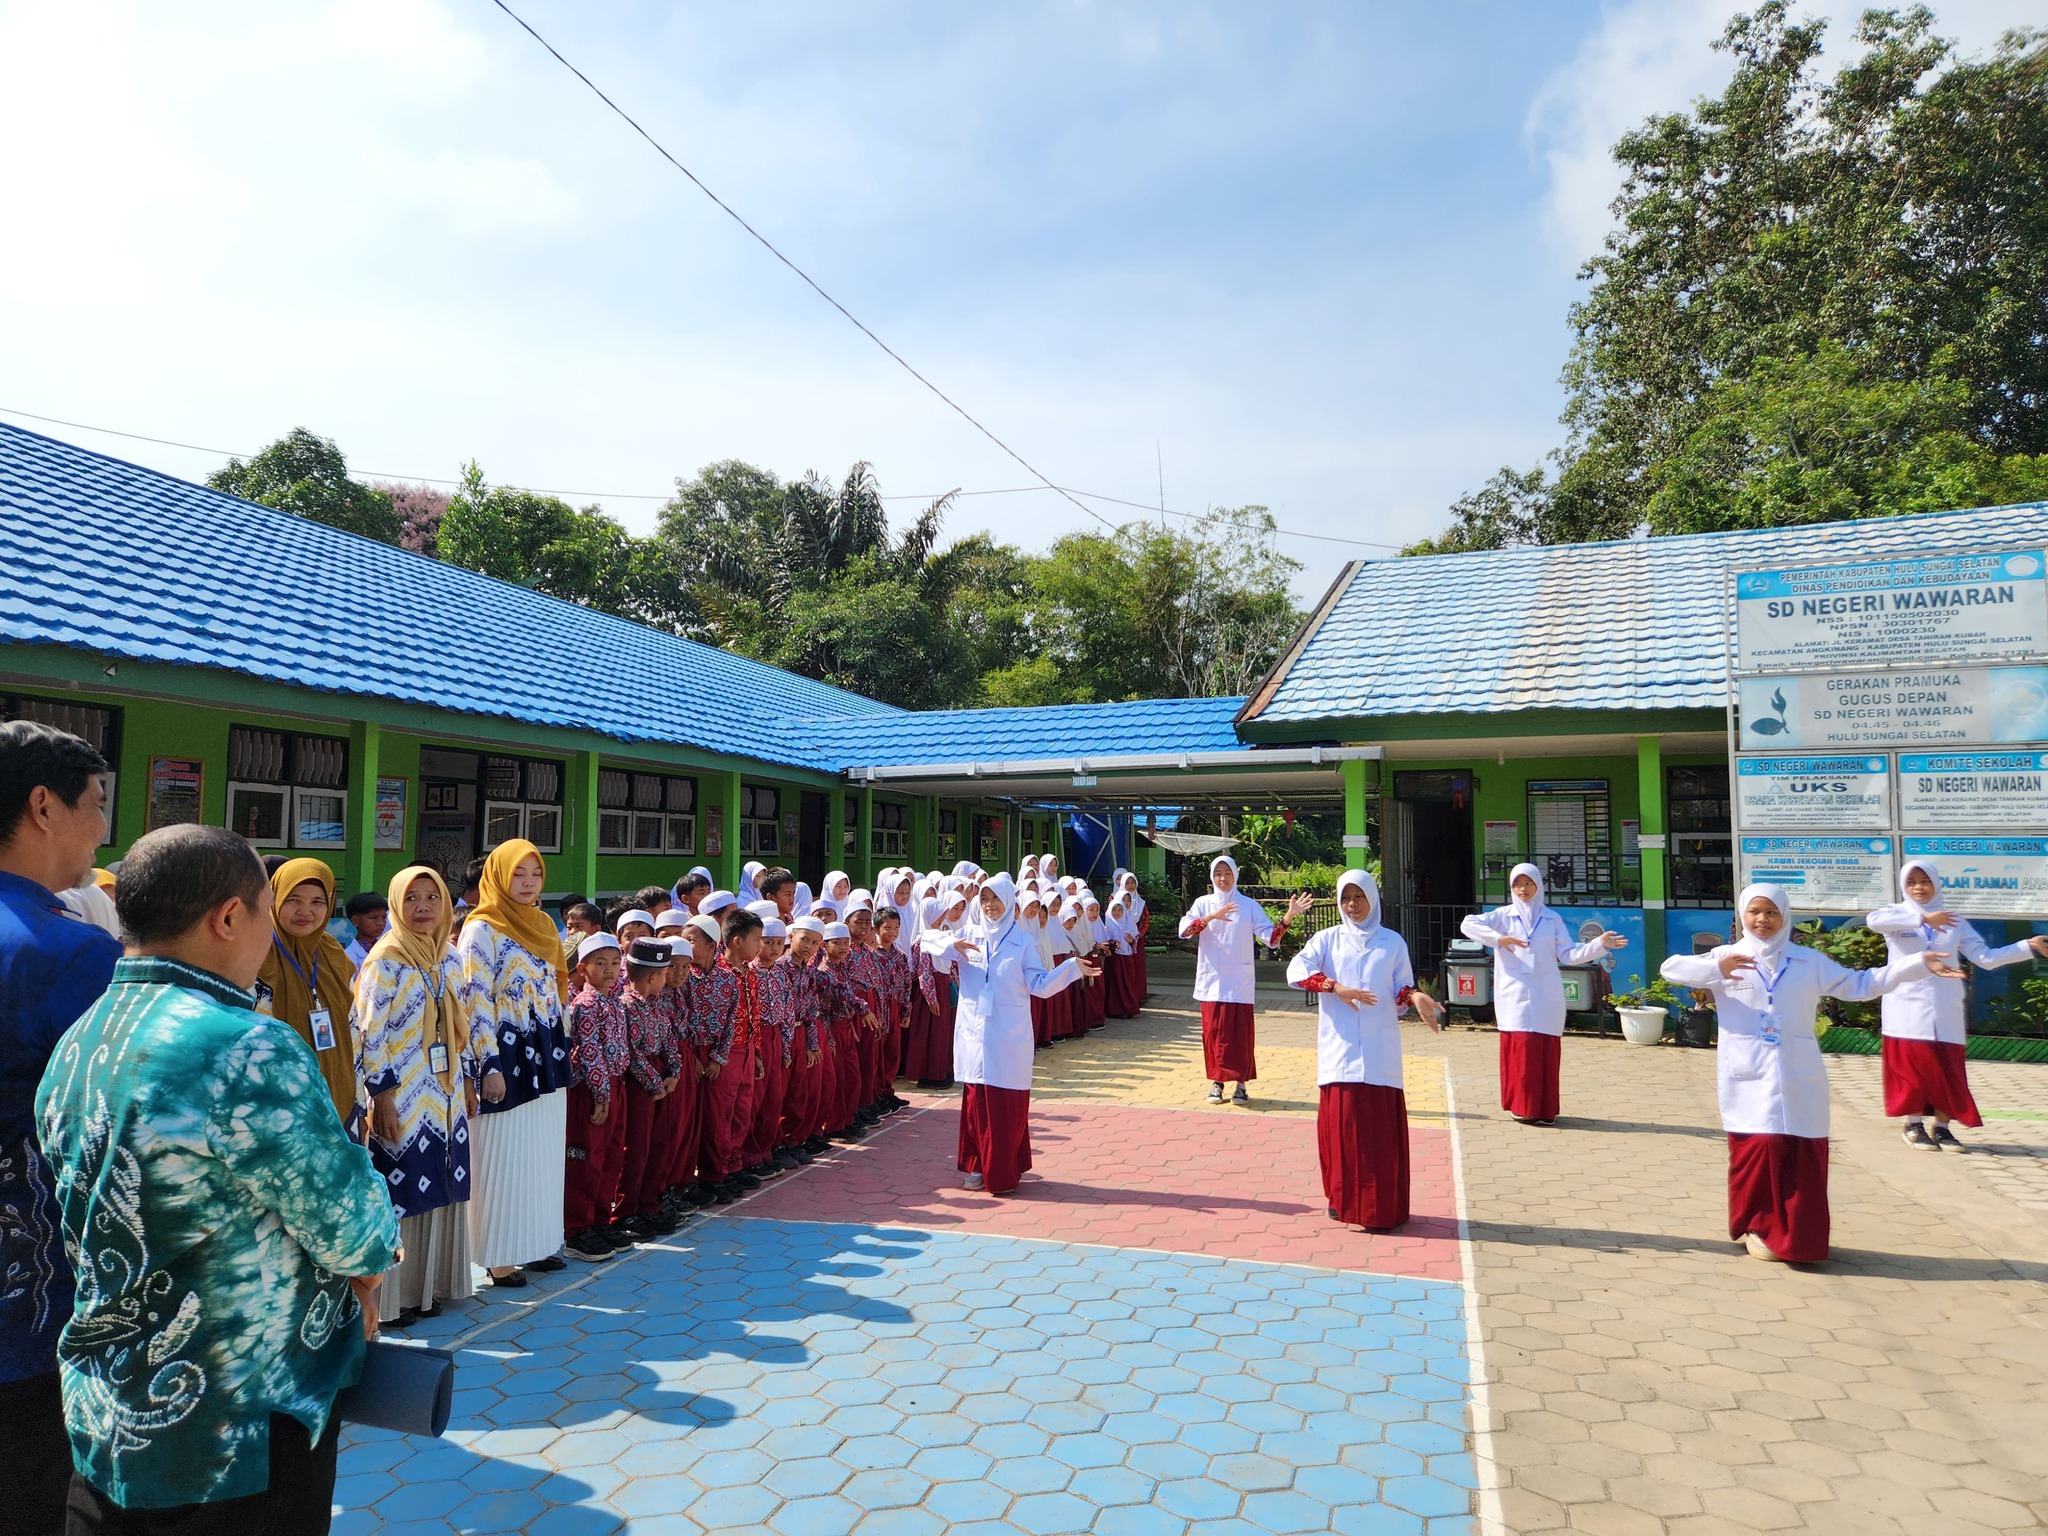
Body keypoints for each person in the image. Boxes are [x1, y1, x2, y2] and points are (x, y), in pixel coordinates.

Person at [37, 825, 398, 1531]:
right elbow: (356, 1231)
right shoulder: (243, 1044)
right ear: (229, 917)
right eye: (268, 908)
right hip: (237, 1426)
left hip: (106, 1408)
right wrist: (369, 1272)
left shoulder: (83, 1038)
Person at [1660, 884, 1954, 1262]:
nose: (1762, 920)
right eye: (1755, 912)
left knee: (1800, 1151)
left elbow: (1861, 985)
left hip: (1798, 1072)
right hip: (1746, 1072)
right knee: (1759, 1148)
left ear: (1785, 917)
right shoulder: (1725, 957)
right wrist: (1717, 967)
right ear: (1742, 915)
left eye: (1771, 913)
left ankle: (1799, 1237)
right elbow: (1672, 969)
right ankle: (1756, 1224)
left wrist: (1915, 964)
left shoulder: (1807, 961)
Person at [1, 722, 120, 1533]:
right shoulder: (69, 953)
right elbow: (117, 1132)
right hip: (28, 1309)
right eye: (98, 803)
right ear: (43, 806)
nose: (106, 826)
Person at [354, 864, 503, 1324]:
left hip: (447, 1092)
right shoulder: (386, 960)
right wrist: (380, 1096)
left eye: (432, 897)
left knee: (441, 1184)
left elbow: (461, 1025)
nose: (423, 907)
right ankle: (393, 1300)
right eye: (412, 897)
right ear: (398, 904)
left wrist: (469, 1083)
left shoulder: (448, 957)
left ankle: (428, 1289)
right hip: (402, 1093)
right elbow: (368, 1031)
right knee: (401, 1187)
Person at [1287, 870, 1444, 1230]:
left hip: (1379, 1050)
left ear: (1372, 898)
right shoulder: (1327, 940)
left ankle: (1381, 1208)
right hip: (1339, 1049)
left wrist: (1416, 996)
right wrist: (1334, 986)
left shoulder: (1391, 942)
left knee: (1377, 1135)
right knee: (1341, 1132)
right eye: (1345, 898)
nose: (1352, 904)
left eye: (1358, 897)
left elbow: (1401, 987)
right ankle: (1341, 1201)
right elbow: (1296, 971)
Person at [930, 873, 1097, 1196]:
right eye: (985, 900)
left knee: (1005, 1105)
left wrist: (1072, 968)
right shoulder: (970, 935)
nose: (990, 906)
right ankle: (977, 1164)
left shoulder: (1023, 943)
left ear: (1009, 903)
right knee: (977, 1102)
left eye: (996, 900)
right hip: (975, 1035)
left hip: (1007, 1037)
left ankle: (1003, 1169)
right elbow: (924, 941)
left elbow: (1040, 985)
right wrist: (952, 943)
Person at [1867, 858, 2048, 1151]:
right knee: (1912, 1066)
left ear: (1936, 883)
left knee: (1947, 1067)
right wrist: (1923, 919)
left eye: (1925, 881)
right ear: (1903, 885)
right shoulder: (1895, 914)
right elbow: (1873, 922)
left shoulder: (1954, 921)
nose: (1919, 888)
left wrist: (2026, 946)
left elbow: (1985, 957)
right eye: (1912, 882)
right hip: (1905, 1005)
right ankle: (1913, 1124)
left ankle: (1942, 1128)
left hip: (1944, 1004)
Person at [458, 839, 573, 1288]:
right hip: (504, 1054)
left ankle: (538, 1242)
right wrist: (489, 1065)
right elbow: (474, 1000)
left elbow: (556, 988)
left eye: (535, 874)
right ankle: (499, 1255)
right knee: (501, 1152)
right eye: (517, 874)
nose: (527, 883)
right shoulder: (480, 929)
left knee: (541, 1152)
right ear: (498, 877)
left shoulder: (545, 923)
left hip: (544, 1049)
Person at [1459, 863, 1625, 1125]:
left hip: (1545, 995)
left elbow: (1568, 954)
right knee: (1521, 1050)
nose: (1522, 889)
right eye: (1517, 884)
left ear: (1539, 886)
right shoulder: (1502, 916)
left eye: (1528, 883)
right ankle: (1522, 1107)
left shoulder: (1552, 919)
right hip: (1513, 995)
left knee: (1544, 1051)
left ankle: (1544, 1109)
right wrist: (1498, 939)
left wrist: (1598, 945)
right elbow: (1468, 924)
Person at [1178, 855, 1313, 1105]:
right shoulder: (1202, 903)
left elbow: (1271, 939)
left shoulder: (1249, 906)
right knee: (1213, 1035)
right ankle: (1217, 1083)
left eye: (1227, 873)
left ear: (1235, 875)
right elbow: (1184, 932)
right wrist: (1210, 917)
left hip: (1238, 982)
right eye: (1218, 873)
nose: (1222, 878)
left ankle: (1240, 1085)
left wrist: (1289, 917)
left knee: (1240, 1035)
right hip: (1211, 981)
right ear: (1212, 876)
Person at [254, 858, 364, 1134]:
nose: (305, 911)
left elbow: (353, 1033)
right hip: (277, 1109)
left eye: (317, 901)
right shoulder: (254, 954)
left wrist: (360, 1102)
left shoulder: (334, 955)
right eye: (293, 899)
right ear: (274, 898)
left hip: (339, 1097)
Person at [563, 934, 631, 1260]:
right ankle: (578, 1229)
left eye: (615, 963)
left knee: (611, 1156)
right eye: (600, 963)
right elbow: (590, 1053)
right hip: (592, 1092)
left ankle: (601, 1219)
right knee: (586, 1158)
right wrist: (602, 1093)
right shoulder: (585, 1006)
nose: (609, 970)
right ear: (582, 968)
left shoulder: (616, 1002)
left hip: (614, 1086)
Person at [341, 891, 389, 971]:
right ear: (355, 921)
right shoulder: (349, 958)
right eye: (373, 918)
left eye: (384, 917)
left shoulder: (387, 951)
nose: (381, 923)